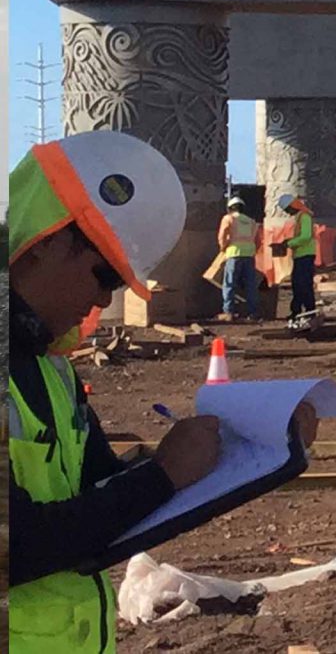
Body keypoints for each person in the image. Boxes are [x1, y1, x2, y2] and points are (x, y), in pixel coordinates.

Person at [11, 133, 317, 652]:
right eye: (104, 273)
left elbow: (97, 491)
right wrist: (164, 475)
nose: (102, 298)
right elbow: (22, 544)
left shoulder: (50, 366)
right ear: (46, 243)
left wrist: (243, 457)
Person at [212, 194, 259, 321]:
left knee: (229, 284)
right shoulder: (251, 222)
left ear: (230, 208)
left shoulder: (229, 219)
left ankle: (228, 312)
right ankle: (252, 313)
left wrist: (223, 248)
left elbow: (222, 235)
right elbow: (258, 240)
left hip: (233, 254)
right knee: (250, 285)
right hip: (249, 255)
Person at [275, 191, 318, 319]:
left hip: (305, 256)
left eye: (288, 209)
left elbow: (305, 237)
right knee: (298, 284)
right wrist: (289, 242)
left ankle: (309, 311)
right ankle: (298, 311)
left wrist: (289, 244)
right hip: (300, 256)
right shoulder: (300, 217)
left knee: (303, 284)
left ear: (293, 205)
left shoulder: (304, 216)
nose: (288, 212)